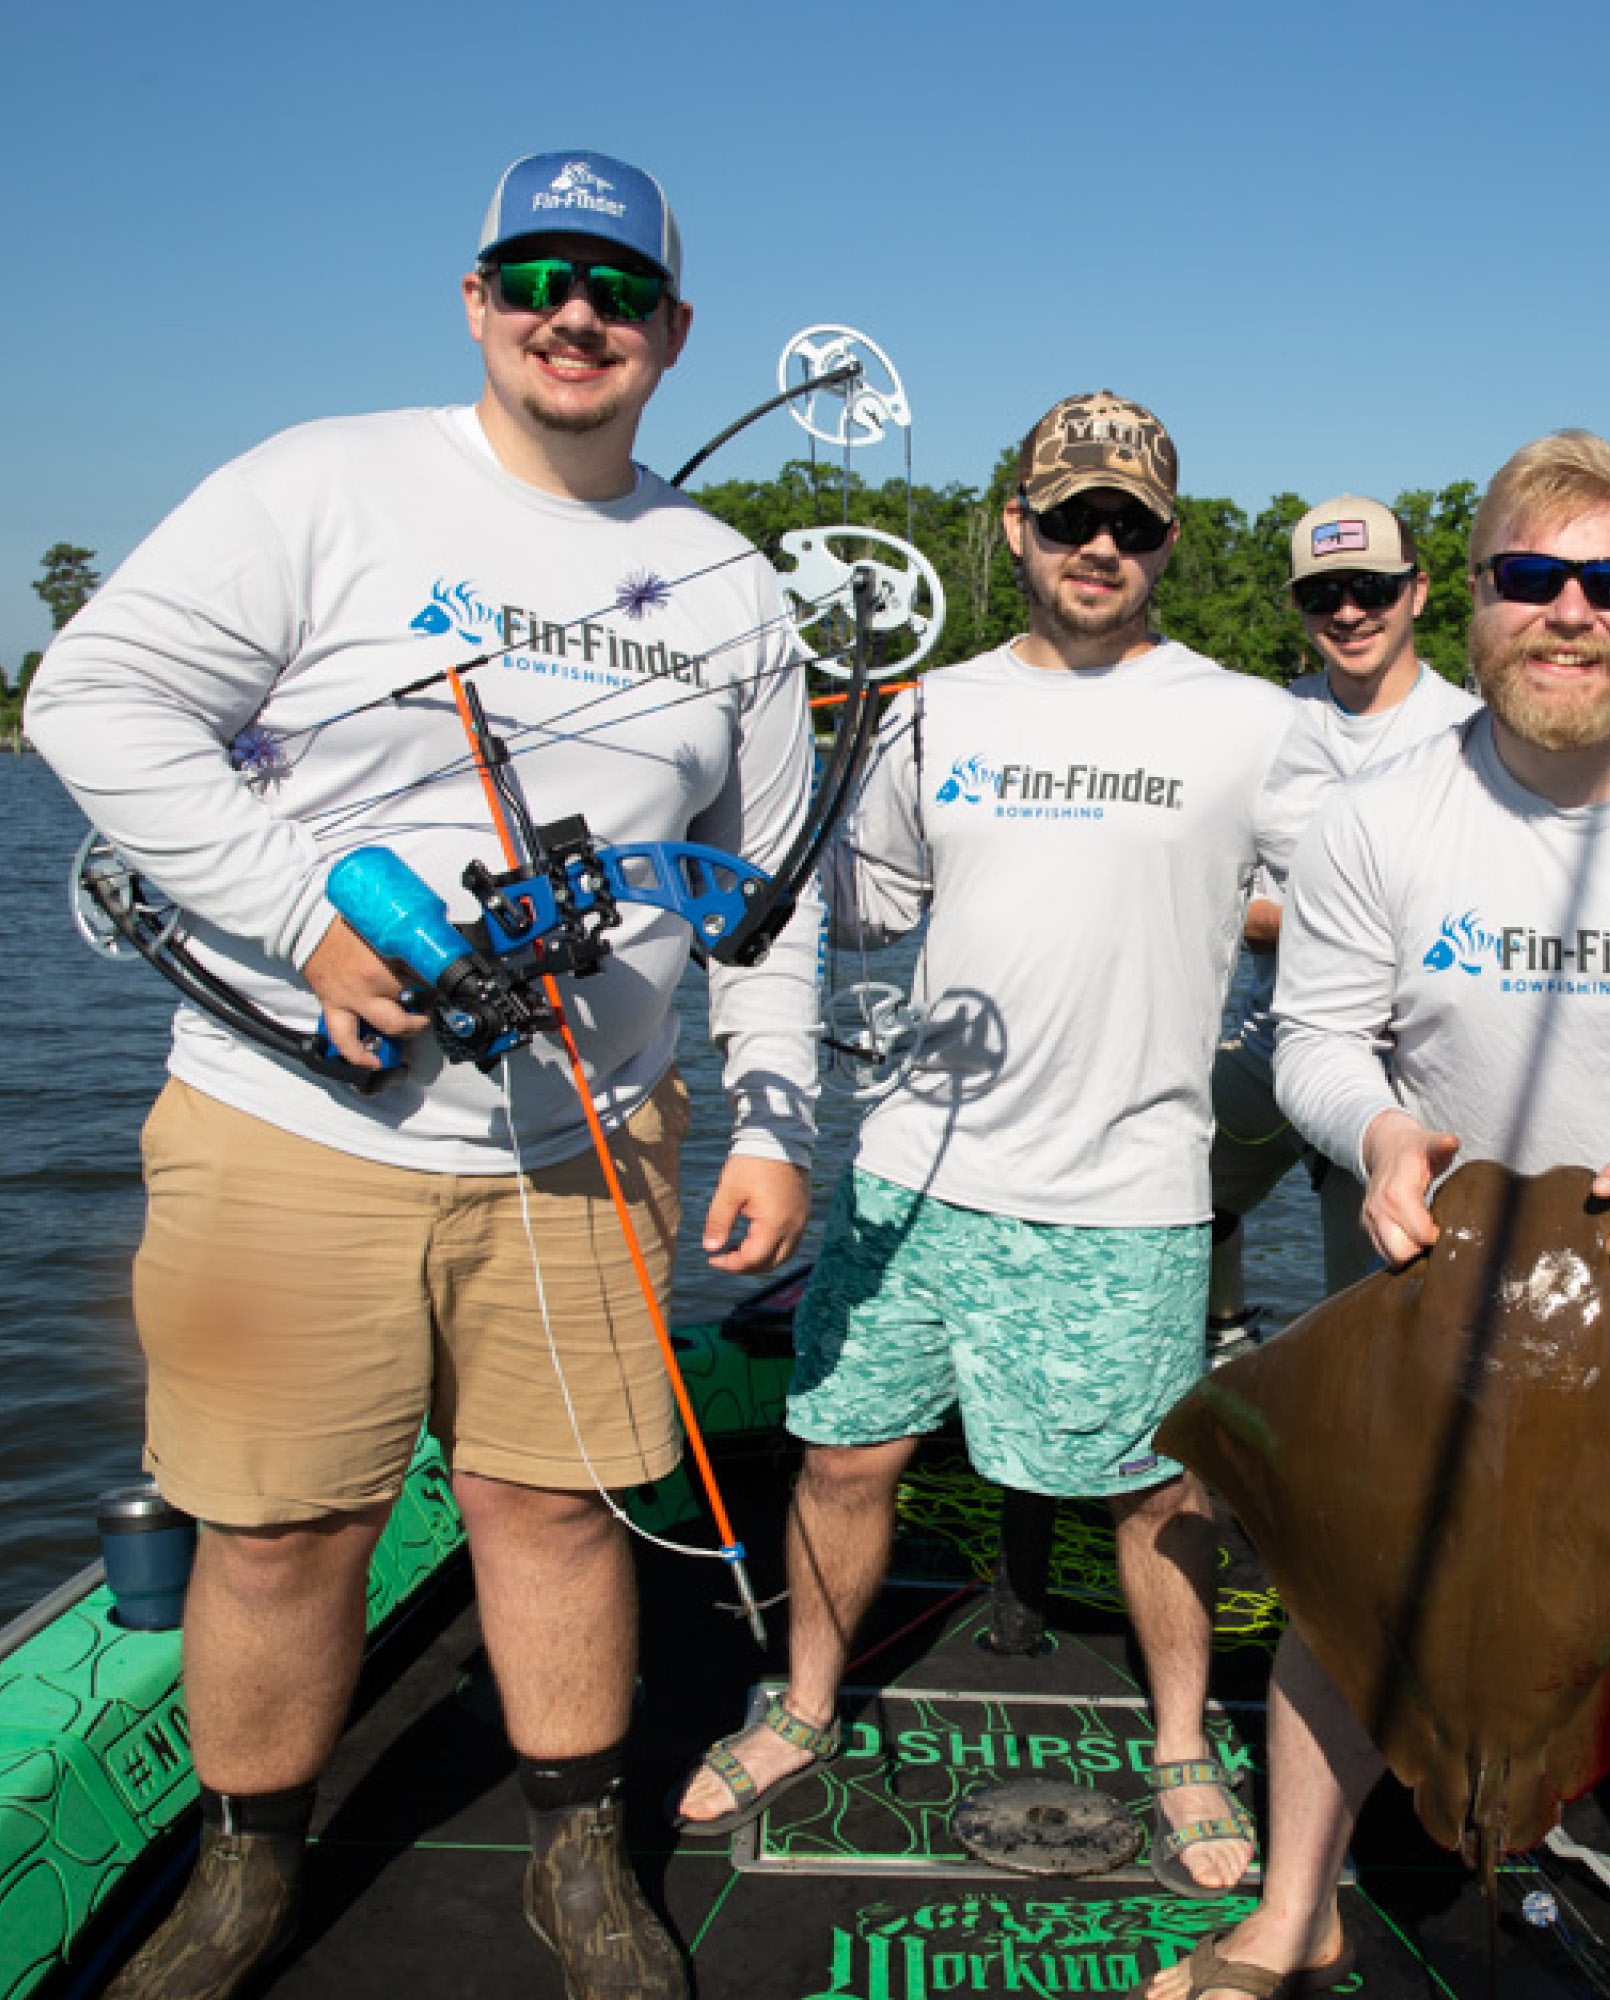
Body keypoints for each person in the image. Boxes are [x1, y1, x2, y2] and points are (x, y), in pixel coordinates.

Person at [28, 149, 823, 2000]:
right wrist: (303, 910)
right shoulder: (322, 483)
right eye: (537, 275)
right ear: (476, 301)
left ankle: (578, 1864)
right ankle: (242, 1881)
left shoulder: (730, 590)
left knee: (555, 1511)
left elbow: (760, 907)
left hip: (590, 1143)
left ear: (671, 335)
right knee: (280, 1528)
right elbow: (92, 699)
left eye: (617, 290)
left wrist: (773, 1114)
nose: (577, 314)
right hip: (291, 1126)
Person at [1136, 430, 1610, 2000]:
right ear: (1470, 598)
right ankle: (1299, 1913)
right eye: (1530, 578)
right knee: (1351, 1616)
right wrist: (1378, 1133)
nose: (1570, 613)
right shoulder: (1378, 819)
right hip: (1420, 1307)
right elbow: (1317, 1042)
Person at [673, 391, 1340, 1898]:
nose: (1098, 545)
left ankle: (1181, 1748)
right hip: (919, 1170)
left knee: (1154, 1494)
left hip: (1129, 1189)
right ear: (1013, 528)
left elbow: (1359, 911)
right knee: (847, 1457)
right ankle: (806, 1707)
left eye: (1132, 524)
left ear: (1168, 542)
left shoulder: (1254, 723)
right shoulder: (932, 708)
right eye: (1069, 517)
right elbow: (874, 908)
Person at [1206, 496, 1479, 1342]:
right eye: (1324, 595)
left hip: (1409, 1067)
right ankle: (1222, 1337)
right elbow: (1222, 900)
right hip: (1272, 1036)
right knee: (1159, 1188)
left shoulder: (1478, 733)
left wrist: (1313, 920)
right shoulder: (1264, 727)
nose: (1350, 612)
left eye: (1372, 587)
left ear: (1419, 592)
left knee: (1378, 1297)